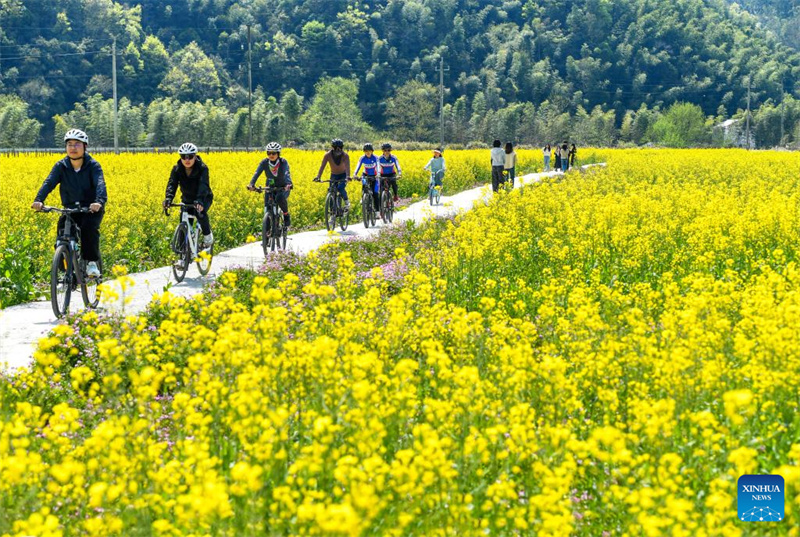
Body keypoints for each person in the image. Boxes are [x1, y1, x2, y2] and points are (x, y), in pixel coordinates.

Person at [32, 128, 106, 278]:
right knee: (62, 234)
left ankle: (91, 262)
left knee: (88, 229)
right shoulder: (61, 166)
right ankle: (65, 268)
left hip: (90, 209)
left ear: (85, 146)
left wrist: (98, 202)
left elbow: (100, 184)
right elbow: (49, 182)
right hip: (71, 208)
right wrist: (39, 200)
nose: (73, 148)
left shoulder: (93, 165)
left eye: (77, 144)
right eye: (69, 144)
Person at [163, 143, 214, 261]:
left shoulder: (202, 168)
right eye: (183, 156)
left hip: (203, 197)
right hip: (187, 199)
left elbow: (203, 185)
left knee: (200, 213)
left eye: (190, 156)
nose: (187, 160)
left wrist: (200, 200)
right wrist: (168, 199)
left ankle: (207, 236)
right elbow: (172, 184)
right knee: (183, 225)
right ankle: (182, 258)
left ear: (195, 156)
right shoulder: (177, 169)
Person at [247, 141, 293, 227]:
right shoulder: (264, 162)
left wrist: (288, 184)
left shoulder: (283, 162)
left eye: (273, 153)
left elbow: (287, 173)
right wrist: (251, 184)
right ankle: (267, 233)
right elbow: (257, 173)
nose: (271, 155)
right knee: (267, 205)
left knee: (279, 198)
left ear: (278, 154)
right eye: (269, 153)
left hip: (282, 187)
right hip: (270, 186)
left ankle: (286, 214)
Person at [314, 138, 351, 212]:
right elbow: (322, 166)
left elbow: (347, 167)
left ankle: (347, 202)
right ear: (332, 148)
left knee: (340, 188)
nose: (338, 150)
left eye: (340, 148)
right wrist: (318, 176)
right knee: (331, 192)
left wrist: (347, 176)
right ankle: (332, 214)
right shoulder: (327, 155)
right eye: (336, 148)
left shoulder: (345, 155)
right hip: (334, 175)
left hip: (343, 175)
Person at [355, 143, 380, 210]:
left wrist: (378, 174)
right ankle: (363, 197)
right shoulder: (362, 158)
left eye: (369, 151)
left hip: (375, 175)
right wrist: (355, 174)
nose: (368, 152)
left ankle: (377, 211)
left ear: (372, 151)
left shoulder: (376, 158)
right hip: (365, 174)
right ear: (364, 152)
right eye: (366, 151)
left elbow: (378, 166)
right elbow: (358, 166)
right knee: (364, 185)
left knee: (375, 193)